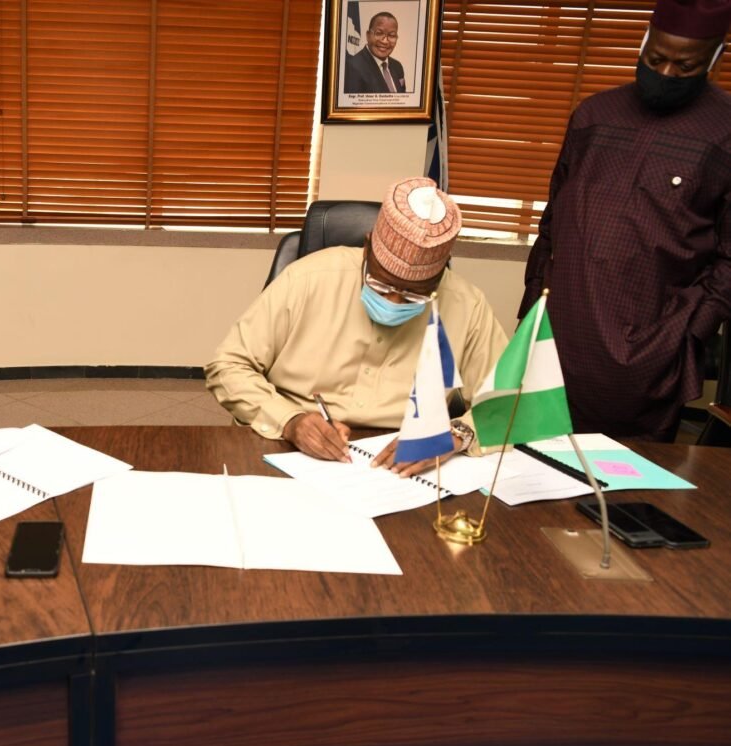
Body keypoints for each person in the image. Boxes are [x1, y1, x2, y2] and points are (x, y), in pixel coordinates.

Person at [520, 0, 731, 442]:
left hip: (647, 352)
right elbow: (553, 219)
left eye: (685, 65)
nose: (667, 73)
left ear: (714, 58)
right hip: (558, 333)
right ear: (642, 44)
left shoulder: (724, 132)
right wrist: (531, 312)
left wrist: (691, 333)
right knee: (531, 460)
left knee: (625, 488)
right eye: (656, 59)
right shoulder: (594, 115)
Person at [205, 177, 508, 475]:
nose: (394, 302)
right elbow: (228, 365)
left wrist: (456, 435)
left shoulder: (467, 304)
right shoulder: (307, 279)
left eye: (413, 293)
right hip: (287, 447)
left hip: (408, 462)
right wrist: (289, 420)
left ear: (440, 275)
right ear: (367, 247)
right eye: (380, 283)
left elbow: (511, 401)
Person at [344, 12, 407, 94]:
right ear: (368, 35)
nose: (385, 41)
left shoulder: (397, 66)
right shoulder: (352, 67)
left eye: (391, 35)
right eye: (379, 33)